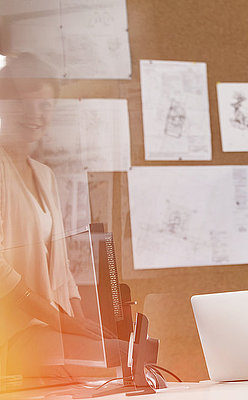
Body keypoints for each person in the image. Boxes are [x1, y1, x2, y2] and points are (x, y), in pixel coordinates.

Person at [0, 53, 100, 379]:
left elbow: (62, 266)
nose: (34, 114)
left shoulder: (44, 174)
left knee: (109, 358)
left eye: (45, 105)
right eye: (23, 103)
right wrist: (64, 322)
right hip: (13, 331)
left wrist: (78, 321)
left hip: (48, 328)